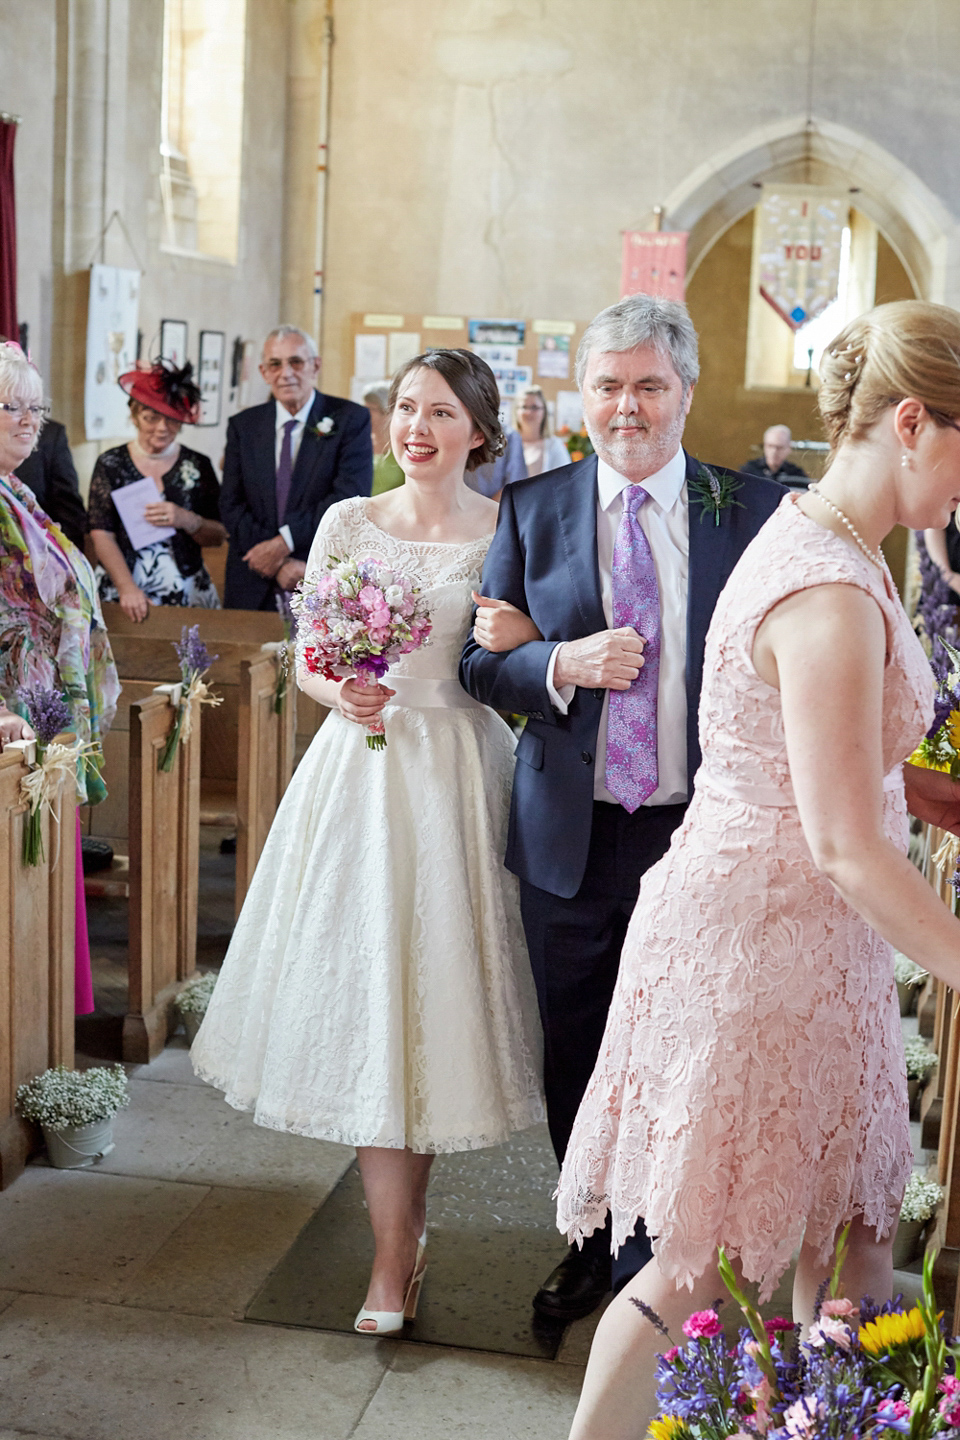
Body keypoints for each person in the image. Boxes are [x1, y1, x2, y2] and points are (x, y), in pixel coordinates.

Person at [555, 299, 960, 1440]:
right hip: (760, 942)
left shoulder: (837, 542)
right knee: (703, 1254)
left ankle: (830, 1422)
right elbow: (836, 838)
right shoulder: (827, 587)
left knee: (855, 1236)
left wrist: (924, 789)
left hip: (812, 937)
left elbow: (822, 766)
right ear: (916, 423)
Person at [191, 348, 544, 1337]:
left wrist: (518, 641)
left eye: (439, 410)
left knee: (431, 1001)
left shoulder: (504, 527)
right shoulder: (348, 523)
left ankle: (406, 1236)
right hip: (359, 771)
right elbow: (309, 654)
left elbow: (510, 657)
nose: (416, 425)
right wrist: (334, 689)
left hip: (458, 776)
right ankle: (394, 1255)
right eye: (402, 407)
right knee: (366, 1008)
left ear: (478, 430)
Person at [459, 294, 785, 1322]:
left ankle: (661, 1254)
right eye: (608, 387)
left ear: (685, 392)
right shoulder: (534, 507)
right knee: (577, 1043)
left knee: (688, 1050)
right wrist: (559, 660)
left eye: (648, 385)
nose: (627, 407)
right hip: (572, 834)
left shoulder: (755, 512)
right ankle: (591, 1244)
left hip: (699, 833)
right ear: (581, 397)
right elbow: (479, 664)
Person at [0, 340, 119, 1014]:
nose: (27, 420)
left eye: (34, 408)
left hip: (41, 712)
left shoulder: (17, 490)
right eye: (10, 406)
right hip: (10, 720)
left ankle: (44, 1035)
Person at [221, 325, 373, 609]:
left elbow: (349, 497)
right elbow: (230, 504)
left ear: (315, 366)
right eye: (275, 364)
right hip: (252, 576)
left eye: (296, 362)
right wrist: (275, 560)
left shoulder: (350, 419)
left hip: (316, 573)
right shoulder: (243, 426)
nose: (286, 373)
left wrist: (285, 544)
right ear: (264, 372)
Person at [88, 360, 226, 620]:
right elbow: (101, 534)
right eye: (151, 417)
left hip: (187, 589)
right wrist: (127, 588)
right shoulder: (111, 463)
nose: (162, 428)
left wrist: (187, 520)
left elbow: (219, 535)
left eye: (172, 419)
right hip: (124, 588)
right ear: (135, 416)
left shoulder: (198, 464)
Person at [513, 386, 571, 479]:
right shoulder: (506, 444)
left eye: (534, 407)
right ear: (516, 411)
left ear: (544, 411)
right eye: (524, 407)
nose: (528, 412)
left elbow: (565, 481)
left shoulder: (554, 445)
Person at [362, 381, 405, 494]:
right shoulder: (358, 443)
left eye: (371, 409)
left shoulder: (401, 446)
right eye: (364, 408)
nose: (365, 413)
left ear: (388, 412)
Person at [741, 422, 810, 489]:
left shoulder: (796, 474)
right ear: (764, 446)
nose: (774, 452)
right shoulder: (749, 471)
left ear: (788, 449)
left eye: (779, 448)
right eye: (770, 446)